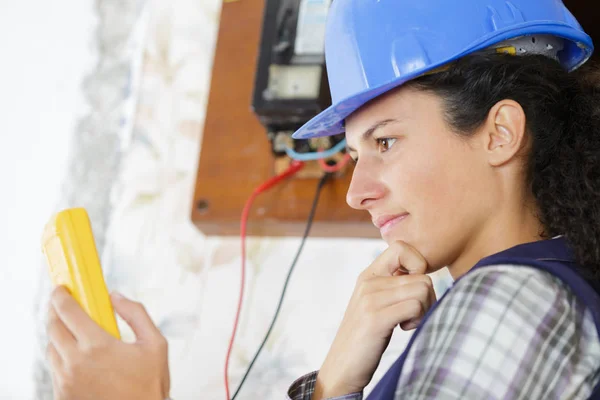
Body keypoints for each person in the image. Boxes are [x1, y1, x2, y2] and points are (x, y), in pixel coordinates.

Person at [45, 1, 600, 400]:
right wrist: (332, 383)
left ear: (499, 133)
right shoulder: (519, 295)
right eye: (356, 156)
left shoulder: (511, 303)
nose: (358, 193)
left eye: (385, 141)